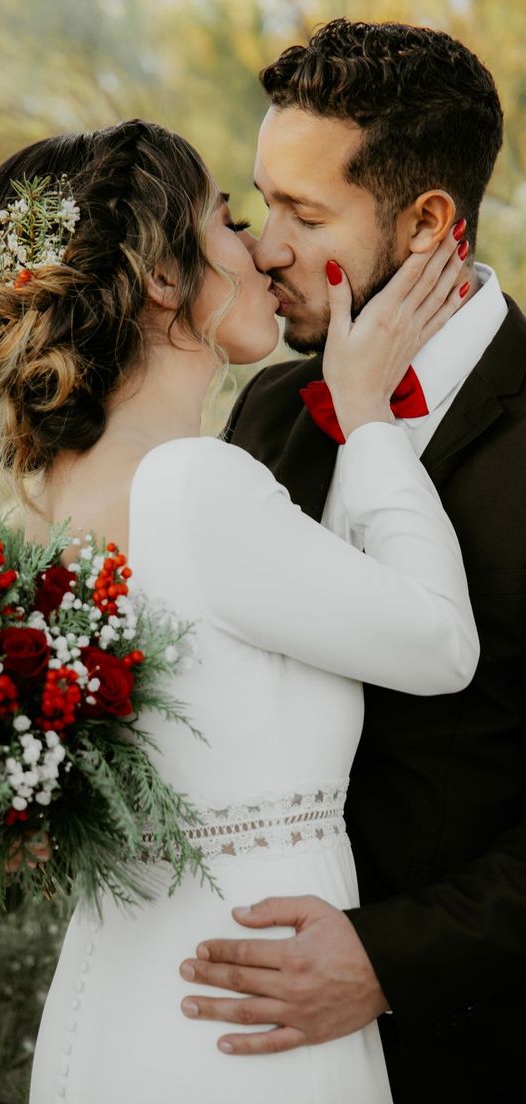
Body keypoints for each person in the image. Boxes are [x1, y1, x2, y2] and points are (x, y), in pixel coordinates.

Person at [0, 118, 476, 1103]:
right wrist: (365, 415)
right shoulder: (191, 484)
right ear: (161, 278)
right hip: (243, 1022)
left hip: (138, 999)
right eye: (228, 221)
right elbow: (440, 644)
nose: (260, 251)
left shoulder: (44, 510)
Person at [182, 18, 525, 1104]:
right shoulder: (271, 413)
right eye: (258, 199)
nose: (262, 246)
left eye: (304, 212)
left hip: (476, 1041)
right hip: (244, 1032)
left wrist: (390, 960)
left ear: (429, 223)